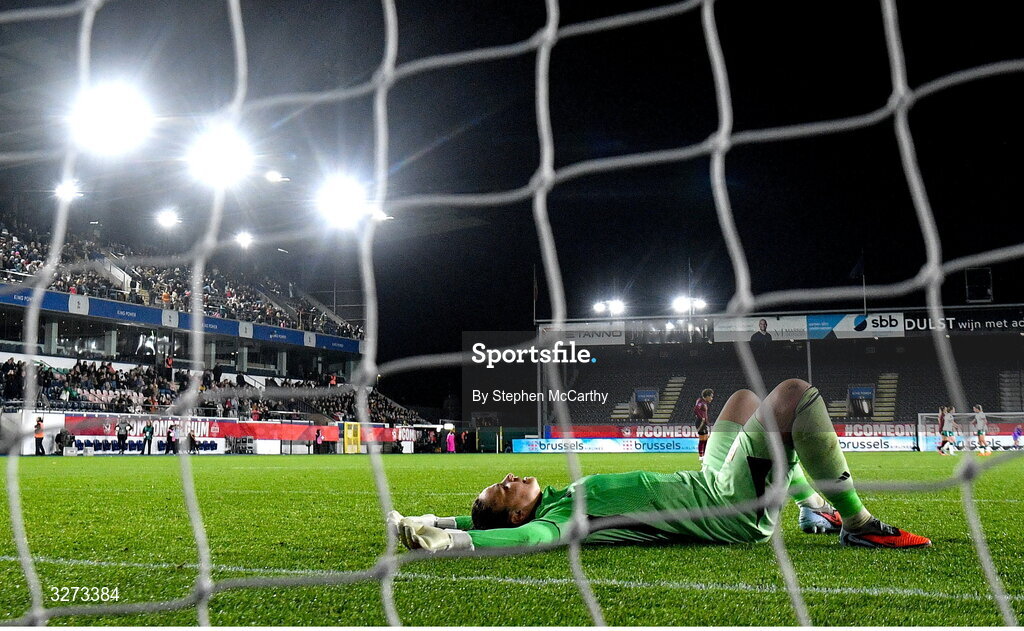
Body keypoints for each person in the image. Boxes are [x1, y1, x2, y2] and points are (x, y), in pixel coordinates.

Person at [389, 379, 930, 552]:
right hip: (729, 507)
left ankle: (813, 507)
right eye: (501, 491)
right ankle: (858, 525)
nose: (507, 479)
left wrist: (435, 520)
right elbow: (523, 541)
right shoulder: (554, 522)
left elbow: (483, 518)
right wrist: (455, 543)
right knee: (792, 397)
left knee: (742, 400)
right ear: (514, 516)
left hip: (705, 482)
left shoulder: (552, 498)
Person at [694, 388, 714, 461]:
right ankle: (701, 455)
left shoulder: (704, 403)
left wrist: (707, 422)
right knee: (702, 439)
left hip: (704, 423)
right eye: (711, 396)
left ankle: (704, 454)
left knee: (705, 439)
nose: (712, 398)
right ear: (707, 396)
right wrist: (702, 418)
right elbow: (696, 409)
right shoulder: (700, 401)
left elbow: (704, 414)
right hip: (700, 422)